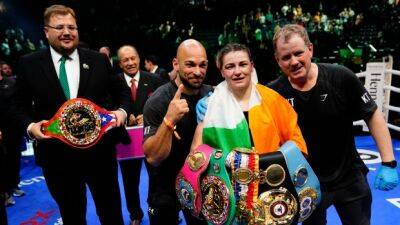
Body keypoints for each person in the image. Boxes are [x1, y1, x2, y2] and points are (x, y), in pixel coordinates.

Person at [268, 24, 398, 225]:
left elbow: (372, 115)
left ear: (310, 49)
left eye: (298, 53)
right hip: (305, 182)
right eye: (286, 57)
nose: (294, 61)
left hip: (349, 177)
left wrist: (389, 162)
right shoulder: (273, 94)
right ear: (278, 60)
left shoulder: (340, 77)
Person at [15, 5, 131, 225]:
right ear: (46, 31)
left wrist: (122, 111)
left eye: (71, 27)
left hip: (101, 156)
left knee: (112, 214)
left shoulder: (98, 59)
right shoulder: (28, 64)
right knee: (72, 216)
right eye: (59, 27)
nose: (67, 32)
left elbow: (122, 92)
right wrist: (30, 127)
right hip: (57, 158)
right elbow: (16, 105)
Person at [142, 39, 212, 225]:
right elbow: (152, 157)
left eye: (202, 65)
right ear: (176, 64)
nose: (197, 72)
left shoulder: (212, 95)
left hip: (202, 185)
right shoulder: (157, 100)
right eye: (190, 64)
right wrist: (169, 120)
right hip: (165, 188)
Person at [117, 45, 162, 225]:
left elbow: (165, 104)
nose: (130, 63)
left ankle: (159, 210)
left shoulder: (154, 79)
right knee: (129, 180)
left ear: (139, 59)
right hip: (126, 141)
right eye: (125, 60)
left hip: (152, 137)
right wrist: (124, 114)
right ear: (120, 64)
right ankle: (135, 214)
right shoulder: (114, 82)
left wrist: (149, 115)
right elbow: (110, 105)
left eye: (133, 58)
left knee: (157, 177)